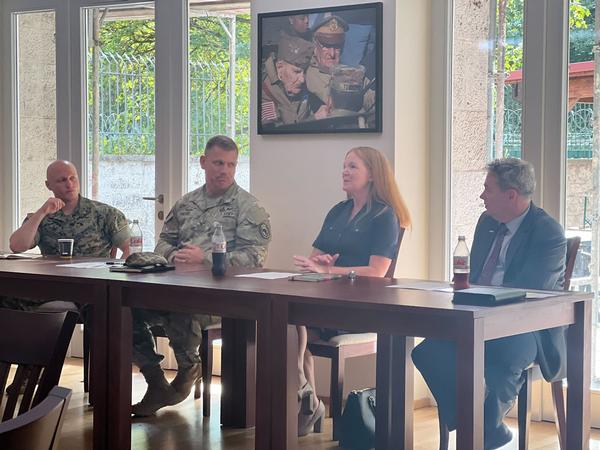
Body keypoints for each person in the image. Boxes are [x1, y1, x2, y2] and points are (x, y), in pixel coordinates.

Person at [412, 158, 567, 449]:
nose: (481, 196)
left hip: (527, 327)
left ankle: (480, 432)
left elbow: (530, 292)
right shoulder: (487, 223)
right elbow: (475, 273)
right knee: (427, 351)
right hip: (479, 318)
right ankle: (488, 430)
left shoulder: (548, 233)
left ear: (511, 195)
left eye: (487, 189)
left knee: (504, 355)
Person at [131, 135, 272, 417]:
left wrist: (206, 260)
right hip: (178, 287)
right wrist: (175, 257)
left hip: (223, 299)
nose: (225, 170)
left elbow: (254, 258)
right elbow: (163, 242)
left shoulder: (248, 207)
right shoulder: (186, 204)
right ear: (203, 163)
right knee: (124, 309)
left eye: (231, 164)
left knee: (182, 311)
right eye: (219, 163)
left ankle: (188, 368)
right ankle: (155, 380)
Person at [293, 147, 411, 435]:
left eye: (352, 167)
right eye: (344, 166)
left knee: (291, 325)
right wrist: (318, 263)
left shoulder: (385, 216)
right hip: (327, 300)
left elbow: (377, 272)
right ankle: (307, 400)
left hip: (360, 307)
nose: (344, 172)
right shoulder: (338, 210)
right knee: (283, 322)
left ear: (372, 174)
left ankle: (306, 404)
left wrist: (329, 271)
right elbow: (315, 259)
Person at [3, 160, 130, 310]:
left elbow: (130, 251)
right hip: (51, 286)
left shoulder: (105, 213)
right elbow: (17, 246)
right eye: (62, 180)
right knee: (5, 297)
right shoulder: (42, 216)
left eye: (72, 178)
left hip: (91, 288)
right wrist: (42, 212)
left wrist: (114, 280)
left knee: (103, 307)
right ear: (48, 185)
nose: (69, 184)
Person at [305, 15, 376, 122]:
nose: (332, 54)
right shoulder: (311, 74)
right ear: (315, 45)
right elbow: (342, 103)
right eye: (326, 46)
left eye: (337, 47)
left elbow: (372, 98)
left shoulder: (344, 69)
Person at [261, 33, 325, 127]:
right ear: (280, 67)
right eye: (296, 72)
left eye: (305, 72)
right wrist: (313, 120)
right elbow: (274, 135)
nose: (302, 79)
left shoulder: (305, 83)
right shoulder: (264, 90)